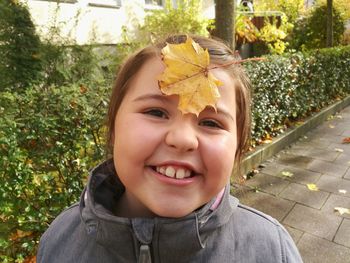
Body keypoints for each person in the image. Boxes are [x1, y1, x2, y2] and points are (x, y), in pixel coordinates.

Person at [37, 34, 303, 263]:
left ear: (237, 146)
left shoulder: (271, 251)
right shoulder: (60, 241)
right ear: (114, 125)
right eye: (156, 112)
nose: (183, 139)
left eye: (211, 122)